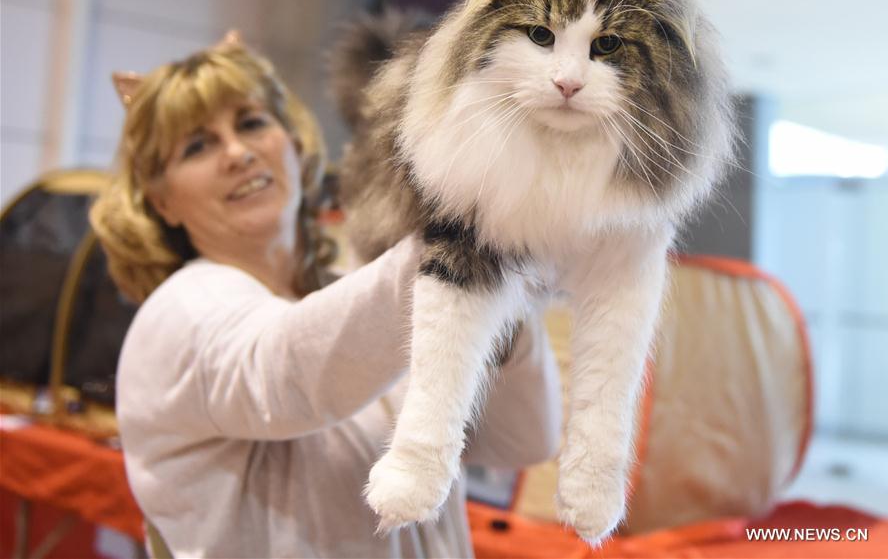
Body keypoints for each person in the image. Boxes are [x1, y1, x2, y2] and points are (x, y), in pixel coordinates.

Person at [90, 32, 562, 559]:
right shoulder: (178, 312)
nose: (238, 153)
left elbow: (521, 441)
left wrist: (497, 308)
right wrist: (456, 243)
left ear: (293, 143)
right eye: (197, 146)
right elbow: (286, 374)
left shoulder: (351, 295)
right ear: (162, 202)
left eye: (250, 123)